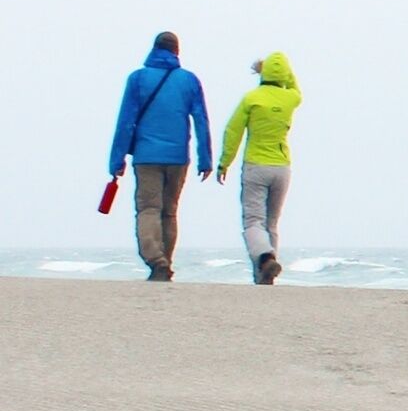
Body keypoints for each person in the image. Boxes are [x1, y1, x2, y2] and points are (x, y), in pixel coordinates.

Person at [108, 33, 213, 281]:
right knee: (169, 211)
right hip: (178, 157)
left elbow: (125, 122)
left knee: (148, 209)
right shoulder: (189, 80)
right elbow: (201, 120)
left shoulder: (138, 79)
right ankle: (165, 261)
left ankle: (156, 261)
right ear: (177, 51)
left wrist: (117, 160)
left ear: (154, 49)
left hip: (146, 156)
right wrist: (205, 159)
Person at [216, 52, 303, 285]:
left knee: (253, 221)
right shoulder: (291, 99)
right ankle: (264, 277)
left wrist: (225, 162)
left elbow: (233, 131)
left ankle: (265, 259)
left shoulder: (252, 98)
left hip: (256, 165)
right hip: (281, 167)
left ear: (262, 73)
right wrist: (284, 72)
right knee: (271, 223)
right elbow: (295, 86)